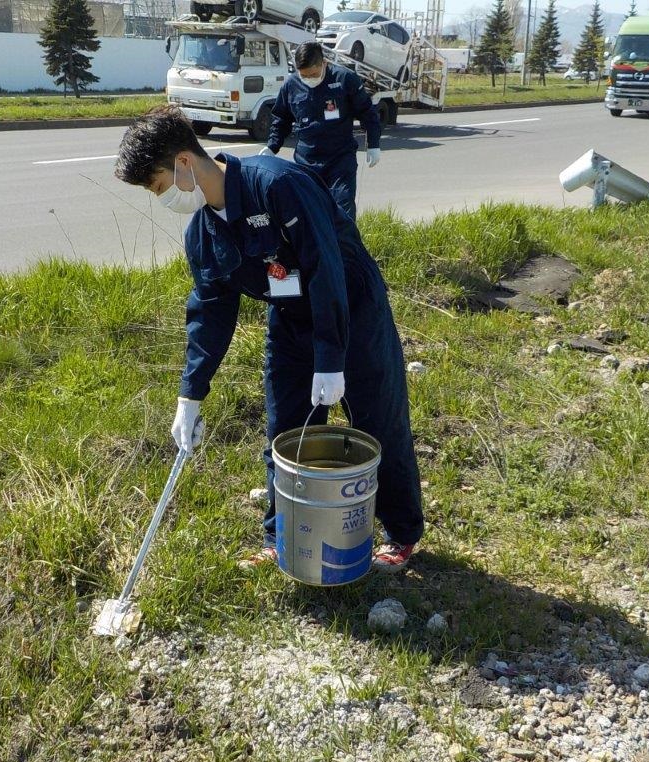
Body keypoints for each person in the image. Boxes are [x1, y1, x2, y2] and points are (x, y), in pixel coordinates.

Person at [113, 106, 423, 573]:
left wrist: (332, 358)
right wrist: (190, 394)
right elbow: (210, 312)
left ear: (183, 163)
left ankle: (401, 532)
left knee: (376, 418)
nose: (161, 200)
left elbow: (325, 269)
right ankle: (281, 535)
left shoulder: (276, 185)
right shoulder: (203, 231)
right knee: (285, 428)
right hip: (291, 319)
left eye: (157, 186)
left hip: (351, 310)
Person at [261, 42, 381, 220]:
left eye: (314, 74)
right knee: (310, 217)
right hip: (306, 163)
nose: (309, 79)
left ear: (324, 63)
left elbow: (367, 113)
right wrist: (272, 147)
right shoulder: (291, 85)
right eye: (304, 76)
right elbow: (281, 119)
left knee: (343, 213)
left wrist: (374, 144)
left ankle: (344, 248)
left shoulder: (344, 80)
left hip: (340, 160)